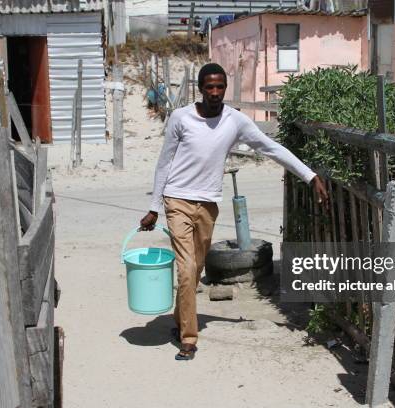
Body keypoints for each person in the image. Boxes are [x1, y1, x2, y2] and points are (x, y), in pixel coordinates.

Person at [139, 63, 328, 360]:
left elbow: (271, 147)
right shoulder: (180, 118)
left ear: (225, 88)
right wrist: (153, 208)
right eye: (209, 87)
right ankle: (189, 338)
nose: (215, 93)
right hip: (176, 200)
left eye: (220, 87)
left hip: (208, 205)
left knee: (195, 270)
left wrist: (310, 175)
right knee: (187, 270)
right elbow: (164, 163)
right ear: (200, 89)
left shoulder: (235, 121)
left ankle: (180, 318)